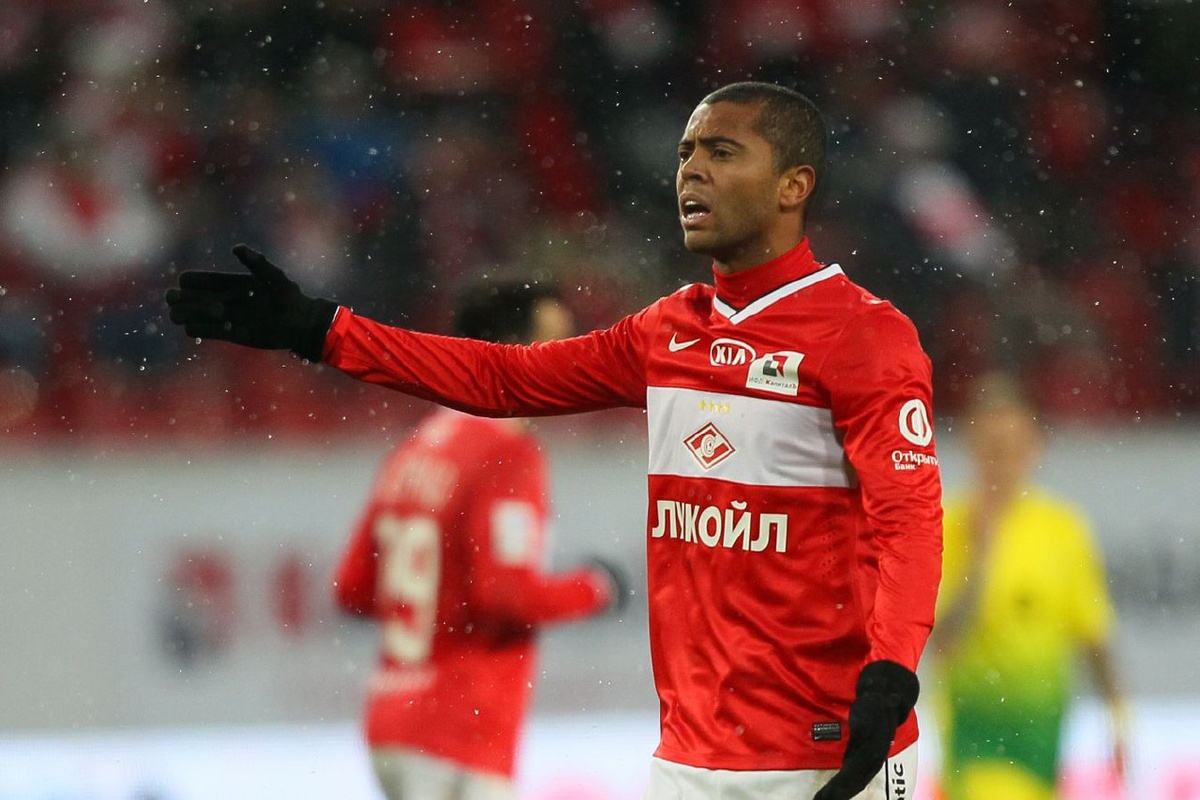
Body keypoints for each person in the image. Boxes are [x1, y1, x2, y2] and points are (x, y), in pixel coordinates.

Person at [166, 81, 944, 800]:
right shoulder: (669, 331)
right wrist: (323, 330)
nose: (692, 171)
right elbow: (504, 377)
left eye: (722, 151)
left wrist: (892, 670)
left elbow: (909, 518)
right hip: (690, 759)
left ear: (793, 186)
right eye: (685, 152)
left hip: (832, 748)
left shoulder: (863, 337)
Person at [331, 279, 627, 800]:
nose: (569, 360)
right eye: (554, 344)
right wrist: (597, 588)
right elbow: (503, 595)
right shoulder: (506, 449)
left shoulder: (417, 447)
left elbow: (353, 589)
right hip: (460, 736)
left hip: (392, 722)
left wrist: (437, 611)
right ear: (508, 351)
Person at [930, 372, 1126, 800]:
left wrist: (1118, 718)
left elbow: (1094, 637)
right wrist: (980, 559)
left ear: (1034, 448)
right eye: (991, 448)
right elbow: (942, 643)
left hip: (1040, 736)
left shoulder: (1063, 530)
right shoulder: (944, 526)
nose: (1001, 463)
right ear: (972, 446)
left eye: (1012, 448)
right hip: (972, 736)